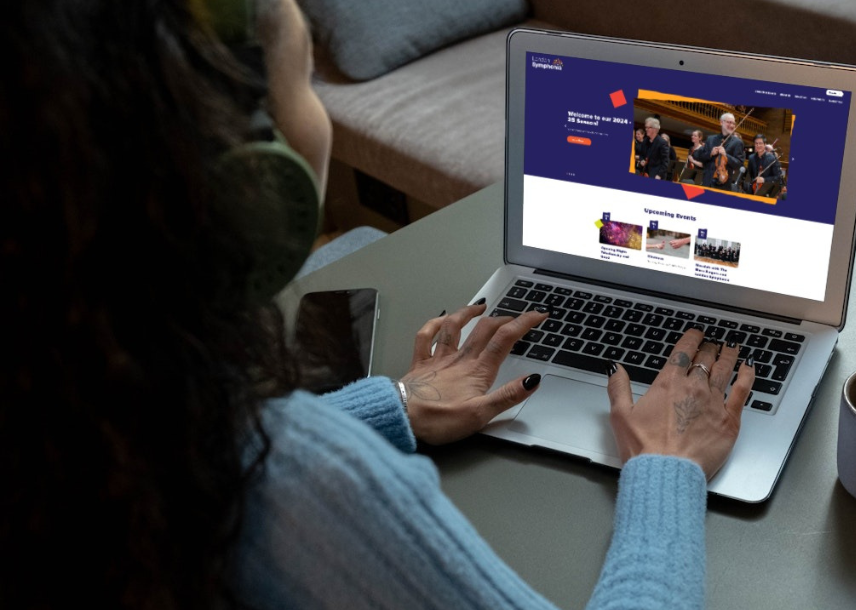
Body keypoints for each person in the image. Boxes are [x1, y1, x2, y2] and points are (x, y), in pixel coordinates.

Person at [1, 1, 756, 609]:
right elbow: (271, 477)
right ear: (251, 178)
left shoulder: (80, 419)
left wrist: (392, 402)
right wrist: (667, 467)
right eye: (305, 80)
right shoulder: (302, 485)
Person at [692, 112, 745, 189]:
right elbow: (699, 157)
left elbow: (739, 164)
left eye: (733, 123)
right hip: (707, 182)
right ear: (721, 122)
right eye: (729, 122)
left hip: (723, 184)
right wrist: (710, 153)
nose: (732, 125)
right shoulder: (710, 139)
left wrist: (726, 155)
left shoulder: (738, 142)